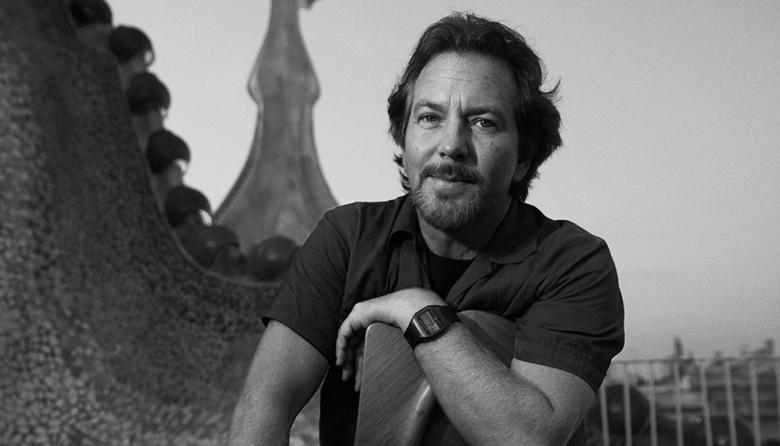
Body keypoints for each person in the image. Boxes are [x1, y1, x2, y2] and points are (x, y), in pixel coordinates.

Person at [228, 12, 624, 446]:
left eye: (483, 121)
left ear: (524, 158)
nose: (451, 145)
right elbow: (266, 402)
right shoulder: (346, 238)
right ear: (403, 138)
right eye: (430, 117)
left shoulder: (573, 263)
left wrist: (417, 309)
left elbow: (528, 436)